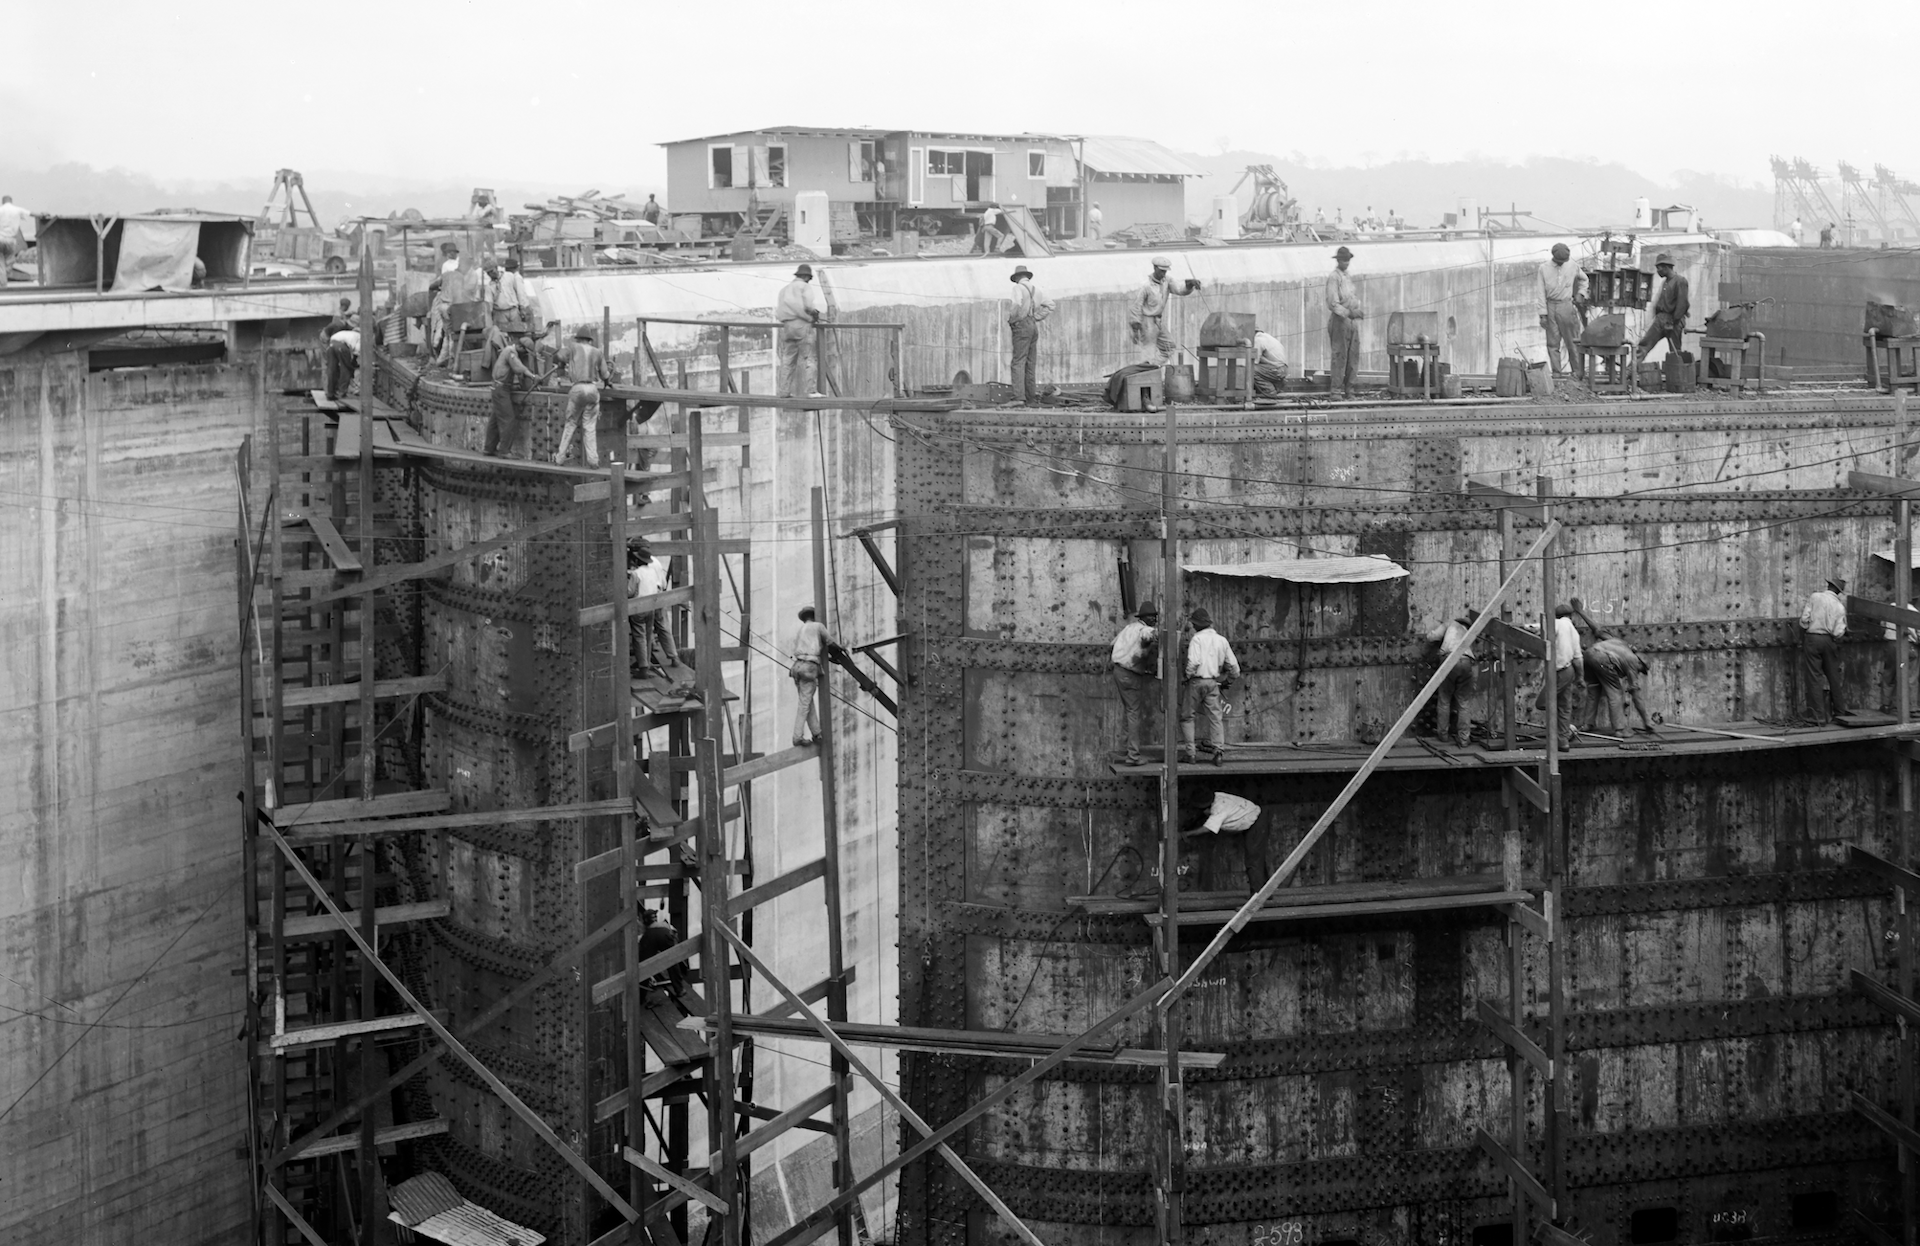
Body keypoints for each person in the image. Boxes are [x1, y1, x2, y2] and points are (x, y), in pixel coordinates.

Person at [1178, 784, 1274, 894]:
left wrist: (1184, 834)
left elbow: (1207, 829)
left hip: (1256, 823)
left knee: (1253, 861)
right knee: (1257, 859)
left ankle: (1256, 899)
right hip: (1252, 818)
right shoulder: (1216, 796)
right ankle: (1265, 894)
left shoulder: (1219, 809)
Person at [1181, 607, 1239, 764]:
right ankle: (1218, 752)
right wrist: (1228, 681)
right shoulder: (1222, 640)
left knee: (1187, 717)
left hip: (1196, 681)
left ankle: (1191, 754)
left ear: (1198, 625)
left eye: (1194, 624)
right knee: (1215, 717)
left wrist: (1186, 676)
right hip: (1213, 683)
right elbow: (1234, 668)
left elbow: (1194, 662)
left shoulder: (1196, 639)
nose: (1193, 626)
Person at [1111, 600, 1160, 765]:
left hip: (1118, 671)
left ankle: (1125, 750)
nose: (1155, 620)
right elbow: (1148, 635)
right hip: (1130, 674)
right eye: (1153, 618)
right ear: (1148, 618)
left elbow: (1112, 644)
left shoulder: (1129, 627)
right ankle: (1133, 756)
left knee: (1129, 711)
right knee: (1133, 713)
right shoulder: (1145, 630)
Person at [1424, 607, 1482, 747]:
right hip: (1467, 661)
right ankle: (1463, 739)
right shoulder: (1470, 631)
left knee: (1444, 699)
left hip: (1449, 659)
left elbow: (1431, 637)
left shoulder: (1449, 624)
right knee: (1464, 702)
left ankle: (1443, 735)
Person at [1128, 256, 1202, 366]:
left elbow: (1179, 289)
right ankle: (1146, 374)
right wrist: (1135, 326)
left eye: (1165, 271)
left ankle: (1152, 368)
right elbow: (1136, 306)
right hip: (1147, 321)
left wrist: (1189, 284)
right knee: (1148, 350)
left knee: (1169, 346)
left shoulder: (1166, 281)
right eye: (1161, 271)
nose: (1163, 274)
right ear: (1154, 268)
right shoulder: (1146, 286)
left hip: (1157, 320)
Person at [555, 325, 609, 467]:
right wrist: (607, 382)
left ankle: (559, 458)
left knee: (571, 423)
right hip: (592, 389)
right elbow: (605, 374)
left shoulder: (573, 347)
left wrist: (563, 363)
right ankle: (593, 461)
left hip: (577, 388)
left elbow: (559, 355)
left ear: (578, 339)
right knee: (589, 427)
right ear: (590, 340)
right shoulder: (597, 352)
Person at [626, 539, 681, 677]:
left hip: (644, 602)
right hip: (656, 598)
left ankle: (644, 664)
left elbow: (631, 591)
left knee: (641, 634)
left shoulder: (637, 572)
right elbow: (662, 582)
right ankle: (673, 657)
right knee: (660, 628)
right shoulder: (655, 563)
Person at [1799, 576, 1850, 722]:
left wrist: (1806, 628)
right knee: (1834, 676)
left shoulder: (1815, 597)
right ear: (1839, 592)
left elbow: (1804, 619)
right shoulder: (1840, 606)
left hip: (1813, 639)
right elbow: (1839, 631)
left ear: (1828, 586)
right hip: (1829, 640)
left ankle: (1818, 716)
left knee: (1814, 677)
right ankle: (1839, 712)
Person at [1536, 604, 1585, 749]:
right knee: (1564, 707)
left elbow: (1539, 630)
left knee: (1543, 703)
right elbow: (1578, 658)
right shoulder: (1573, 630)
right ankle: (1563, 741)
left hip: (1558, 671)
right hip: (1569, 670)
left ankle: (1556, 736)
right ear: (1571, 616)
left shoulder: (1556, 624)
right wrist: (1580, 677)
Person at [1585, 636, 1657, 734]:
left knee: (1594, 689)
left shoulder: (1622, 646)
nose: (1639, 672)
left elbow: (1601, 632)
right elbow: (1636, 695)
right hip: (1602, 658)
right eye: (1641, 670)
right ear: (1640, 662)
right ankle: (1619, 730)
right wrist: (1646, 720)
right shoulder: (1633, 661)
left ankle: (1588, 724)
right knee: (1616, 693)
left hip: (1588, 655)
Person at [1539, 243, 1589, 380]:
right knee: (1552, 342)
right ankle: (1556, 372)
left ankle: (1577, 372)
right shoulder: (1543, 268)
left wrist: (1581, 293)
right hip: (1550, 306)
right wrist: (1542, 314)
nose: (1561, 263)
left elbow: (1584, 280)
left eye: (1563, 261)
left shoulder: (1572, 265)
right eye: (1559, 261)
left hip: (1566, 305)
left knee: (1572, 341)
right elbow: (1540, 292)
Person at [776, 263, 826, 397]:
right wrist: (813, 314)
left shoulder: (784, 289)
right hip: (802, 326)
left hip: (787, 327)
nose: (809, 281)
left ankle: (784, 391)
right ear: (805, 276)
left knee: (787, 360)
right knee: (809, 358)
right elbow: (808, 306)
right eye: (809, 278)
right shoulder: (804, 287)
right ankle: (811, 391)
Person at [790, 604, 837, 747]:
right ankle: (797, 737)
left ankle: (816, 733)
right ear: (814, 616)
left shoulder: (800, 630)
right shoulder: (818, 626)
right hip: (809, 667)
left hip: (797, 667)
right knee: (804, 704)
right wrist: (840, 647)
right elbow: (830, 642)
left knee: (807, 701)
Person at [485, 331, 537, 457]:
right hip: (501, 390)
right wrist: (533, 376)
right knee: (508, 420)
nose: (525, 355)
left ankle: (489, 448)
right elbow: (518, 368)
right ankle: (504, 451)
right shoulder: (510, 352)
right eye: (525, 352)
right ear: (520, 347)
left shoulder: (509, 351)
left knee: (495, 420)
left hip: (499, 388)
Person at [1007, 264, 1053, 405]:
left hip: (1021, 325)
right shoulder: (1037, 290)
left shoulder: (1017, 288)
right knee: (1030, 363)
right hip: (1033, 325)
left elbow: (1015, 305)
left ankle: (1018, 397)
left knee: (1018, 362)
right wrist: (1036, 317)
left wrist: (1012, 320)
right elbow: (1050, 305)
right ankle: (1030, 398)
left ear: (1017, 278)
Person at [1325, 246, 1365, 398]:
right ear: (1338, 260)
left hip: (1352, 321)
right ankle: (1336, 391)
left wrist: (1357, 311)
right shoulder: (1334, 277)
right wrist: (1349, 313)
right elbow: (1333, 304)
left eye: (1348, 260)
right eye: (1343, 260)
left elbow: (1352, 297)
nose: (1346, 263)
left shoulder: (1347, 276)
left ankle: (1350, 389)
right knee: (1339, 356)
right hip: (1340, 320)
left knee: (1353, 356)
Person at [1635, 253, 1689, 363]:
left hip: (1673, 320)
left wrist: (1674, 321)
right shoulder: (1666, 282)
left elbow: (1682, 304)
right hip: (1661, 319)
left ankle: (1678, 375)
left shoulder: (1680, 281)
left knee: (1675, 351)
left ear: (1666, 267)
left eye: (1659, 268)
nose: (1657, 271)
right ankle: (1631, 370)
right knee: (1645, 344)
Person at [635, 907, 687, 995]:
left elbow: (642, 934)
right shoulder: (663, 924)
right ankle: (679, 989)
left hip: (650, 937)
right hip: (665, 934)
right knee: (672, 961)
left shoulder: (647, 930)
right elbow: (674, 933)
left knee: (645, 964)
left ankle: (641, 994)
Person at [492, 257, 535, 332]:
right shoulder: (510, 277)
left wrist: (522, 308)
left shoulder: (516, 278)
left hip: (522, 307)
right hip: (519, 307)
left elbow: (520, 293)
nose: (506, 270)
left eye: (508, 268)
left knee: (519, 329)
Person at [325, 318, 360, 400]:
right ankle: (342, 392)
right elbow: (357, 351)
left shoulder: (347, 333)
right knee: (346, 369)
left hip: (331, 344)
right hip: (342, 346)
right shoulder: (359, 337)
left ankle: (330, 393)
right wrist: (353, 364)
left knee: (332, 369)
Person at [0, 194, 30, 287]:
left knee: (1, 262)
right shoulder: (17, 209)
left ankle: (2, 282)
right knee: (9, 261)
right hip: (11, 240)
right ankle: (4, 280)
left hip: (0, 239)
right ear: (11, 201)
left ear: (2, 202)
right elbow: (31, 213)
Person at [1250, 325, 1288, 397]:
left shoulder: (1257, 340)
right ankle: (1277, 387)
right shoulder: (1268, 337)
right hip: (1283, 369)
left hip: (1276, 370)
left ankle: (1269, 392)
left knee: (1251, 369)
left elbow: (1254, 361)